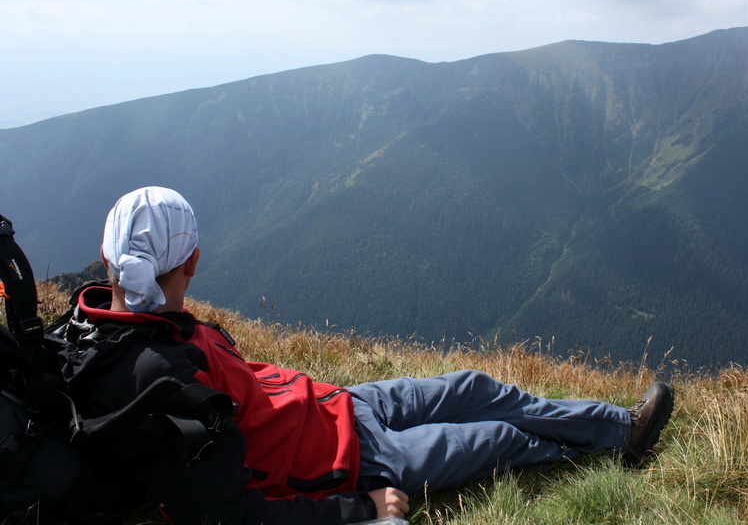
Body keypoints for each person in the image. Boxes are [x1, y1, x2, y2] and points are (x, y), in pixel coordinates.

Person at [48, 186, 674, 525]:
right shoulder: (156, 376)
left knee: (474, 385)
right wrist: (357, 510)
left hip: (336, 406)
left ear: (106, 259)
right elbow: (219, 511)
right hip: (346, 464)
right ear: (192, 261)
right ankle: (591, 450)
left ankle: (622, 430)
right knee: (495, 438)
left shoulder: (108, 322)